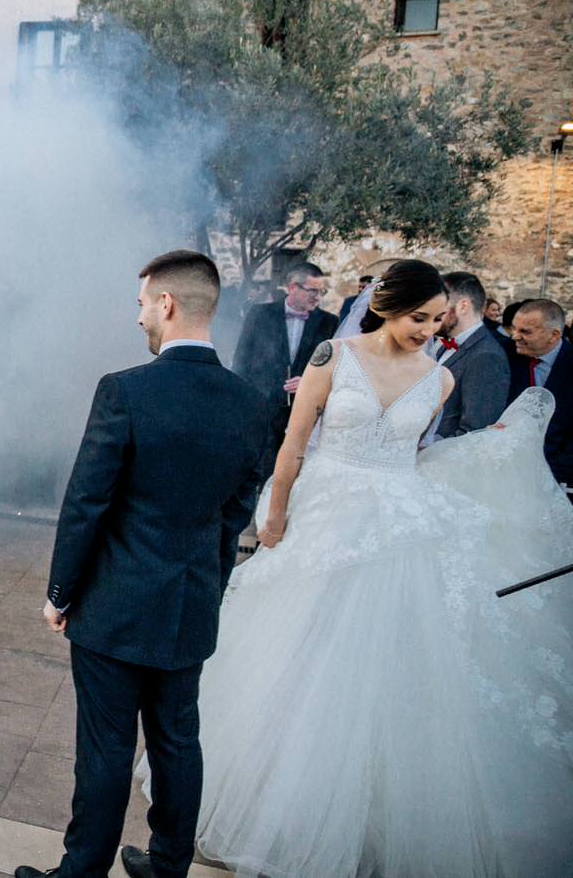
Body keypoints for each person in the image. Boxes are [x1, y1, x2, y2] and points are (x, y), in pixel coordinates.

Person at [164, 260, 573, 878]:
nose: (428, 331)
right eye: (418, 318)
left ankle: (369, 815)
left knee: (383, 660)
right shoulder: (334, 355)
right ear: (386, 306)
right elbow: (294, 443)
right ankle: (271, 794)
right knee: (296, 646)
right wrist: (273, 516)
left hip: (395, 530)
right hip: (324, 515)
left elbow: (413, 454)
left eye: (438, 321)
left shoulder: (439, 379)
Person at [14, 251, 269, 878]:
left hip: (115, 607)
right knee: (178, 742)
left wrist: (59, 593)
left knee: (104, 748)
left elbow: (86, 504)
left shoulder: (125, 390)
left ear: (168, 304)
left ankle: (81, 873)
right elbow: (235, 512)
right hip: (189, 605)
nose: (138, 319)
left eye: (141, 304)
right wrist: (206, 584)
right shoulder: (252, 404)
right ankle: (166, 867)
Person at [232, 262, 338, 472]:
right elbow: (242, 357)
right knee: (259, 467)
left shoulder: (330, 322)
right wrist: (242, 401)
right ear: (292, 287)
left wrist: (308, 381)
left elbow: (334, 368)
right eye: (312, 291)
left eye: (321, 291)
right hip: (263, 406)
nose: (317, 297)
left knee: (294, 468)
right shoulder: (259, 313)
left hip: (303, 410)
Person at [426, 271, 510, 441]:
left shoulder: (487, 357)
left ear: (463, 306)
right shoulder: (444, 343)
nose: (433, 316)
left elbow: (477, 432)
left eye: (440, 309)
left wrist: (427, 449)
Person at [509, 298, 573, 488]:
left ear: (553, 335)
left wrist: (549, 473)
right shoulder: (504, 355)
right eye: (514, 328)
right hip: (508, 472)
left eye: (525, 332)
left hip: (558, 477)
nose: (514, 336)